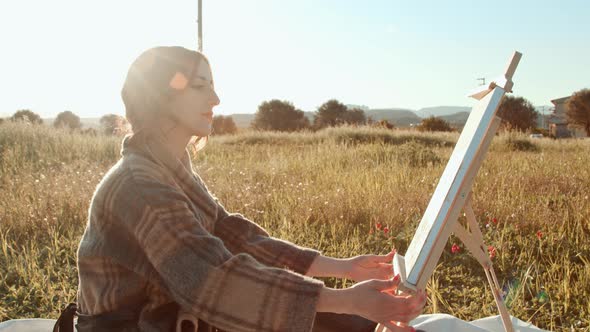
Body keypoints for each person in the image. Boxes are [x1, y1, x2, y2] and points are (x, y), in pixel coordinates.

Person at [74, 46, 426, 332]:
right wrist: (346, 299)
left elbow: (235, 235)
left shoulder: (170, 166)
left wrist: (343, 268)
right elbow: (211, 280)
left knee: (347, 324)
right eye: (200, 86)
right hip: (133, 326)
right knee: (340, 318)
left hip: (169, 317)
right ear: (159, 95)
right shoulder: (139, 183)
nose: (216, 98)